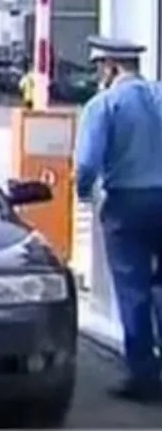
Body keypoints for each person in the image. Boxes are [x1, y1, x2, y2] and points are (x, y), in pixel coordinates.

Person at [74, 35, 162, 401]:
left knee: (133, 289)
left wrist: (84, 194)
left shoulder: (104, 105)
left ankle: (144, 376)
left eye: (100, 68)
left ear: (110, 67)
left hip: (127, 204)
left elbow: (86, 165)